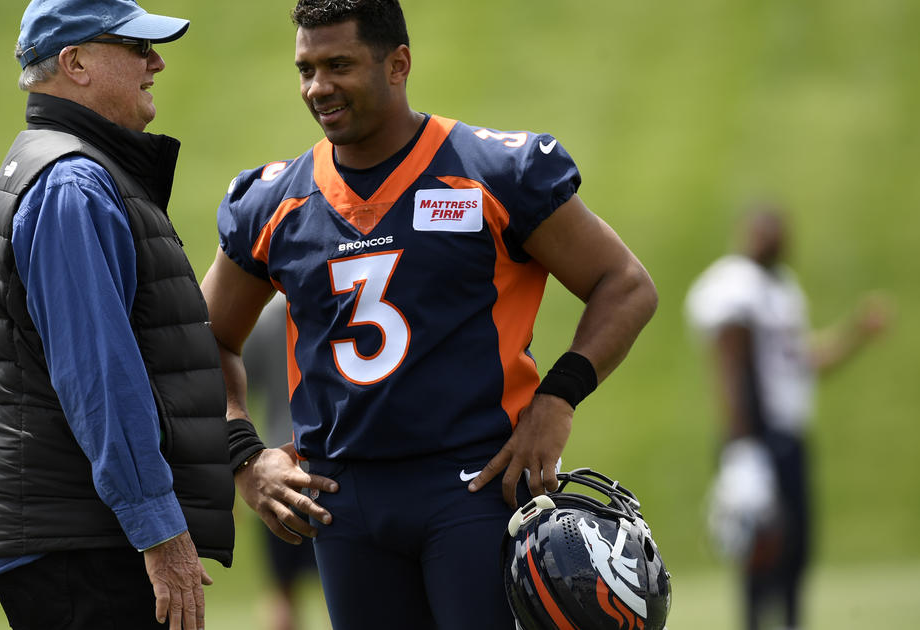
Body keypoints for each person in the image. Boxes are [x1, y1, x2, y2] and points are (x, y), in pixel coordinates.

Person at [200, 2, 659, 628]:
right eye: (305, 69)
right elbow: (204, 342)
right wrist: (244, 457)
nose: (317, 87)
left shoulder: (492, 171)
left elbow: (625, 284)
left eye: (339, 65)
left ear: (398, 64)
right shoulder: (276, 201)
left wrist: (557, 400)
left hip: (473, 487)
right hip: (342, 502)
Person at [0, 1, 233, 628]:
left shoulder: (66, 170)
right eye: (136, 48)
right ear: (75, 62)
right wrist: (159, 530)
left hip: (75, 538)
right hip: (85, 547)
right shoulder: (71, 184)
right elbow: (100, 378)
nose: (156, 61)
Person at [685, 203, 890, 630]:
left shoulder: (782, 290)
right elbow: (729, 365)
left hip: (788, 435)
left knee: (797, 551)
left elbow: (801, 360)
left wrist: (856, 333)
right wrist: (742, 446)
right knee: (759, 553)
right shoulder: (732, 284)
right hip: (754, 438)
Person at [242, 293, 321, 630]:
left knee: (282, 592)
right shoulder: (329, 299)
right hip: (327, 465)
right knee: (353, 586)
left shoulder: (263, 316)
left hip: (277, 469)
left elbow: (239, 382)